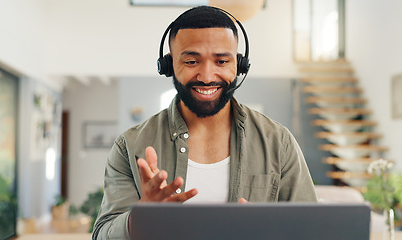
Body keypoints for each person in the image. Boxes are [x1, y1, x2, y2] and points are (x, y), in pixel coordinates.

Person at [92, 6, 317, 240]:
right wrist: (139, 218)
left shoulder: (278, 143)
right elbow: (101, 235)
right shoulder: (129, 145)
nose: (207, 76)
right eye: (191, 61)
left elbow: (313, 231)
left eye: (221, 61)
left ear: (240, 65)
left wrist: (269, 231)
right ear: (168, 66)